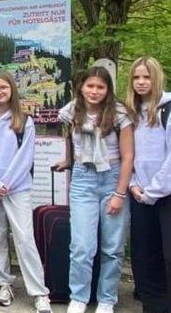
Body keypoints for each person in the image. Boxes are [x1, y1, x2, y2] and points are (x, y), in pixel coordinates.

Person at [54, 65, 133, 313]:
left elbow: (128, 156)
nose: (94, 91)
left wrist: (120, 194)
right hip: (82, 179)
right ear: (81, 87)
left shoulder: (119, 113)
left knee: (112, 246)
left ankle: (107, 298)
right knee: (81, 246)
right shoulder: (71, 111)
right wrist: (68, 160)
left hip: (112, 178)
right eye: (90, 86)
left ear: (108, 89)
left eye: (100, 87)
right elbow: (69, 138)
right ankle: (79, 296)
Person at [0, 72, 51, 313]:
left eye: (3, 88)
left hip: (17, 188)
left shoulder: (24, 121)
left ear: (12, 90)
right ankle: (4, 284)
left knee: (24, 238)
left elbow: (25, 158)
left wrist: (7, 182)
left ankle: (39, 292)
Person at [125, 57, 171, 313]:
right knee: (144, 259)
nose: (142, 82)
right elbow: (128, 154)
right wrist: (133, 185)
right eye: (136, 77)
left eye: (147, 77)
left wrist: (153, 191)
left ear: (157, 79)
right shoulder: (132, 113)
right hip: (139, 193)